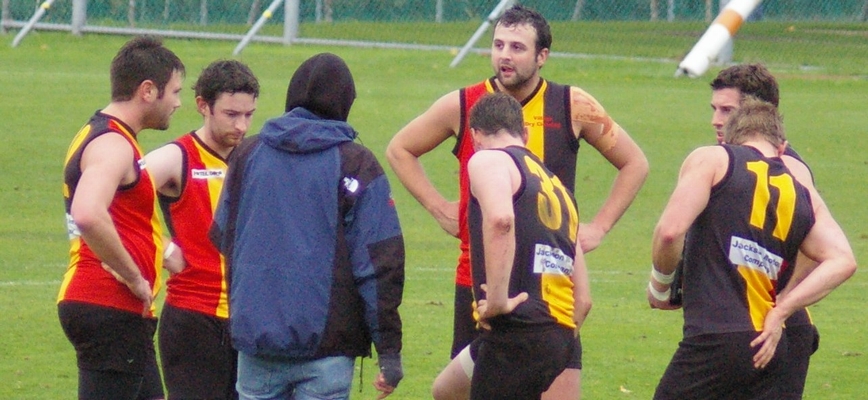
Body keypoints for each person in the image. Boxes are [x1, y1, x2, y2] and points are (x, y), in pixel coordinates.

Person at [386, 5, 647, 399]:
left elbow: (634, 163)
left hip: (551, 284)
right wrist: (440, 208)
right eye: (498, 45)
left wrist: (599, 227)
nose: (504, 56)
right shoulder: (466, 104)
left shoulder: (572, 104)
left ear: (542, 56)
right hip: (479, 282)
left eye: (517, 47)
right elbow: (400, 148)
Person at [210, 53, 405, 400]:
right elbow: (380, 264)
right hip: (328, 349)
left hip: (259, 344)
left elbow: (222, 235)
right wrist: (389, 351)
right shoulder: (356, 164)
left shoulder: (247, 154)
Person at [647, 97, 856, 399]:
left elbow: (669, 233)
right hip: (770, 343)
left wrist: (660, 286)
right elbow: (843, 260)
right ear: (782, 148)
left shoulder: (714, 158)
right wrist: (782, 311)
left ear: (730, 139)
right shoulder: (799, 189)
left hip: (716, 339)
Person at [58, 35, 185, 400]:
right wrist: (133, 277)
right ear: (148, 90)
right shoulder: (112, 144)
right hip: (108, 305)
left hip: (119, 310)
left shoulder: (107, 135)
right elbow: (87, 213)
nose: (177, 103)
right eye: (174, 92)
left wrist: (160, 253)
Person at [443, 92, 591, 399]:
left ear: (475, 136)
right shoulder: (557, 187)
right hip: (558, 333)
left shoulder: (488, 159)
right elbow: (584, 299)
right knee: (446, 390)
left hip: (517, 329)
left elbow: (500, 221)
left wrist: (497, 301)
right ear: (524, 134)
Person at [144, 59, 259, 399]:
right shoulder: (177, 157)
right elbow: (108, 200)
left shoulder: (256, 157)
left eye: (249, 115)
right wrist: (163, 247)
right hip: (194, 319)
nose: (241, 125)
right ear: (202, 106)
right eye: (231, 114)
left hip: (249, 319)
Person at [708, 63, 818, 399]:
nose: (715, 120)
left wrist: (781, 304)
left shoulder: (788, 167)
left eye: (727, 110)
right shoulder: (731, 160)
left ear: (757, 113)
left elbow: (818, 250)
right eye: (714, 109)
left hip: (779, 328)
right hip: (740, 327)